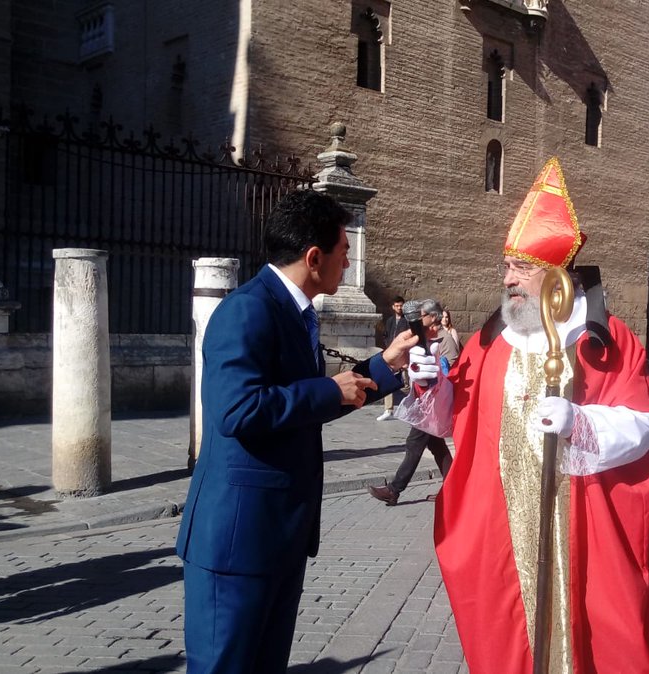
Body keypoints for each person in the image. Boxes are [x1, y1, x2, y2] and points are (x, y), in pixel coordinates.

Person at [400, 158, 649, 673]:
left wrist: (579, 422)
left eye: (519, 268)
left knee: (602, 624)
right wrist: (428, 386)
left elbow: (643, 425)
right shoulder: (488, 340)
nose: (507, 279)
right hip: (502, 518)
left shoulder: (606, 341)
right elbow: (455, 419)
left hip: (583, 521)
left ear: (555, 276)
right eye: (506, 266)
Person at [174, 190, 418, 673]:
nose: (348, 264)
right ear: (313, 257)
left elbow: (303, 405)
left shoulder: (296, 312)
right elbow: (236, 411)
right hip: (238, 539)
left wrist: (383, 368)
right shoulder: (248, 310)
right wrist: (329, 391)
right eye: (344, 252)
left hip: (279, 535)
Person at [368, 299, 460, 505]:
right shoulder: (420, 337)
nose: (419, 318)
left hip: (433, 403)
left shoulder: (444, 338)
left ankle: (394, 490)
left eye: (422, 314)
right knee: (437, 447)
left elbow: (452, 366)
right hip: (422, 399)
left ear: (433, 317)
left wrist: (436, 373)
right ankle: (454, 489)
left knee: (414, 444)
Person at [377, 295, 409, 421]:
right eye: (397, 306)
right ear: (393, 307)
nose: (399, 308)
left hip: (404, 355)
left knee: (406, 384)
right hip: (392, 354)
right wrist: (388, 346)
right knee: (387, 380)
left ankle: (408, 407)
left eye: (401, 305)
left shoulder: (407, 321)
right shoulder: (390, 321)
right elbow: (385, 335)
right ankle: (388, 409)